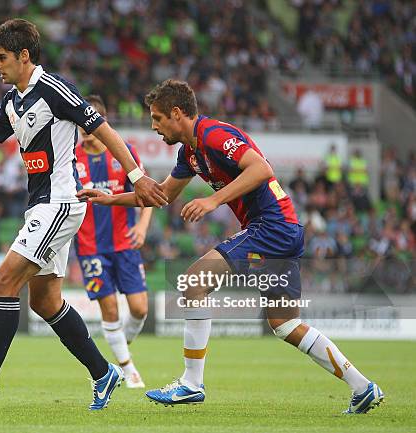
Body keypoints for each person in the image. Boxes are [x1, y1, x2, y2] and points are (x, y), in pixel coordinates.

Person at [0, 18, 167, 411]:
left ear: (24, 56)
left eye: (1, 57)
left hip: (59, 201)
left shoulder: (54, 90)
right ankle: (103, 372)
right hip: (41, 205)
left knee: (3, 279)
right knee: (45, 301)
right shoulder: (13, 101)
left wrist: (137, 176)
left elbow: (104, 130)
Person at [78, 79, 383, 414]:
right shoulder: (190, 153)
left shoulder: (213, 135)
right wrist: (109, 200)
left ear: (177, 113)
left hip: (272, 227)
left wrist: (213, 201)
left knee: (194, 282)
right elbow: (161, 196)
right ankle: (363, 387)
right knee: (286, 325)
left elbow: (262, 169)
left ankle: (191, 384)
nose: (154, 127)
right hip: (281, 230)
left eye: (157, 118)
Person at [75, 95, 152, 389]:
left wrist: (142, 227)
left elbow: (147, 193)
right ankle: (128, 369)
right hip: (90, 247)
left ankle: (122, 342)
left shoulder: (123, 152)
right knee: (110, 311)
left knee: (140, 309)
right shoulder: (72, 157)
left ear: (102, 122)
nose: (85, 126)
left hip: (124, 244)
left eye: (90, 120)